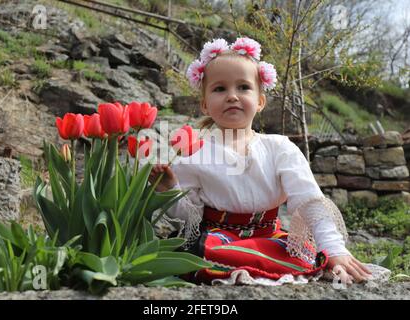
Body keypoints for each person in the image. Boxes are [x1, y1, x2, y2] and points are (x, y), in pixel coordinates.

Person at [149, 37, 372, 285]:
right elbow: (189, 218)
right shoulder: (194, 155)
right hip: (217, 237)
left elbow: (307, 199)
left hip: (270, 237)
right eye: (219, 89)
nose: (232, 96)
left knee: (304, 254)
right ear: (204, 104)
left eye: (243, 87)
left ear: (260, 101)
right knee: (202, 251)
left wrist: (333, 249)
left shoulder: (279, 148)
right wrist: (170, 189)